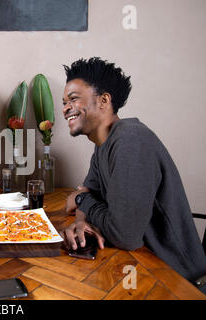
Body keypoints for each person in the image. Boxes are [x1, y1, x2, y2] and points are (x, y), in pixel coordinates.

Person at [60, 57, 206, 292]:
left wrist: (80, 200)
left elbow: (125, 235)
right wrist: (80, 222)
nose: (66, 108)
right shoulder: (102, 146)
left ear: (104, 100)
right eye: (65, 101)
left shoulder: (130, 141)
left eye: (74, 99)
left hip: (180, 282)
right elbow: (87, 195)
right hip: (142, 267)